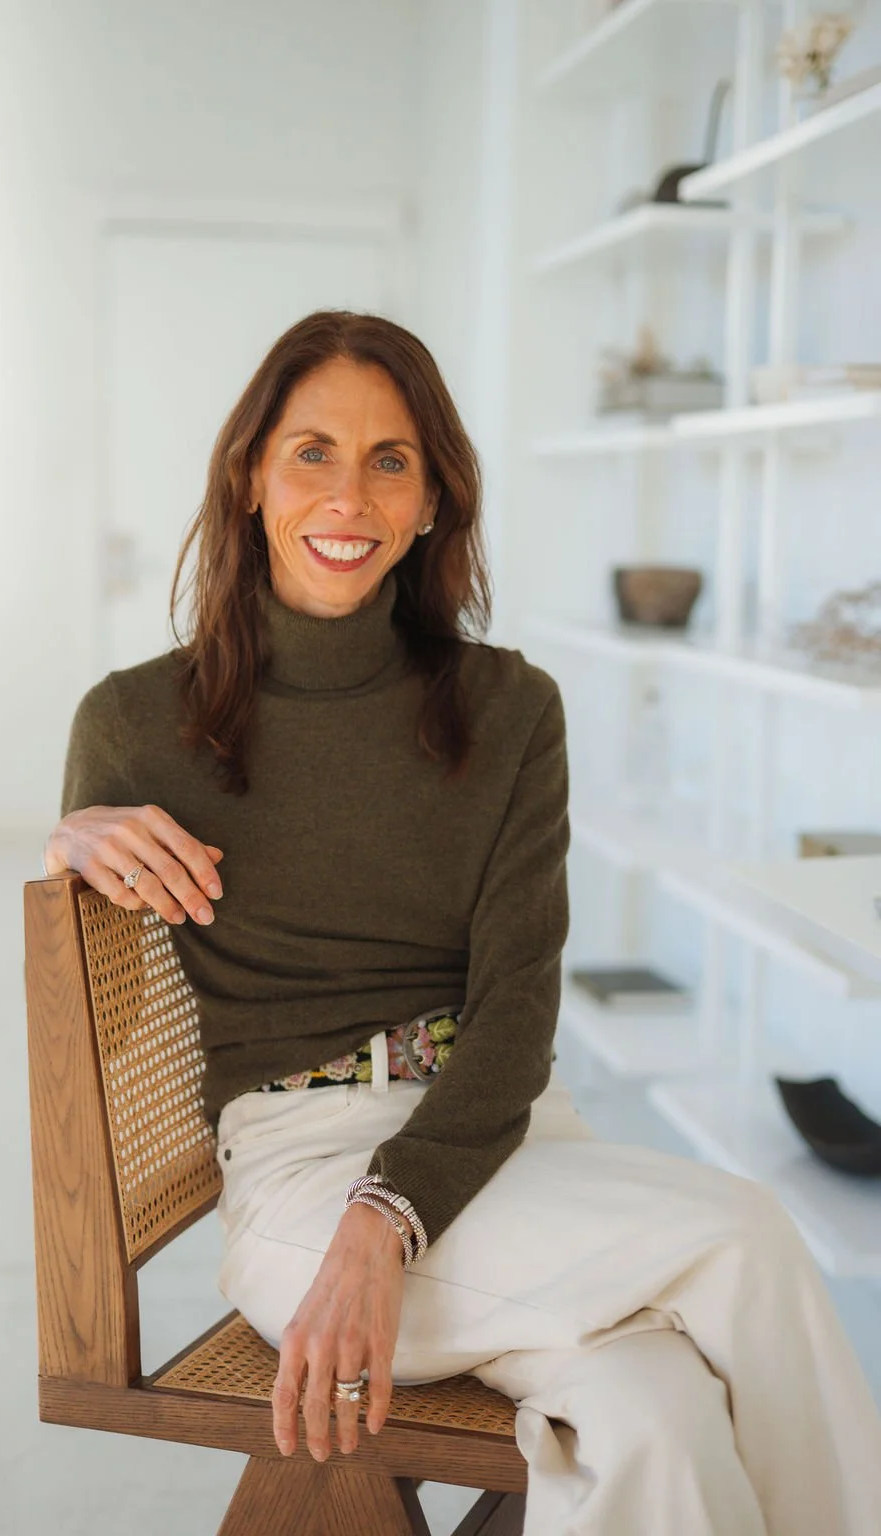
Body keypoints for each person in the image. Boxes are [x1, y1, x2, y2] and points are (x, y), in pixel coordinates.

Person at [46, 309, 881, 1535]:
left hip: (504, 1144)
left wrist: (392, 1216)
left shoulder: (507, 711)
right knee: (744, 1237)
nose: (349, 494)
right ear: (249, 479)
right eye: (311, 452)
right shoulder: (129, 724)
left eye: (392, 459)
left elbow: (516, 1015)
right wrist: (65, 841)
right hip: (297, 1181)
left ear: (433, 498)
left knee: (659, 1422)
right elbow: (98, 990)